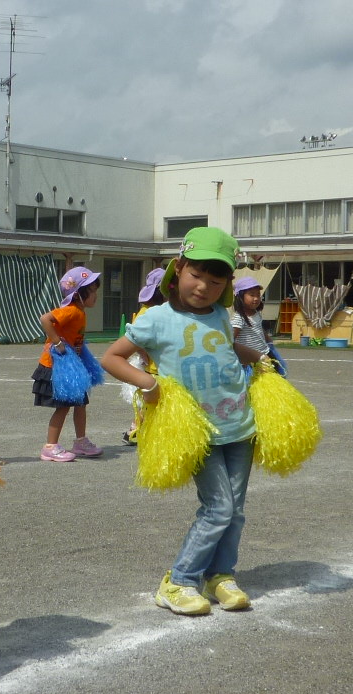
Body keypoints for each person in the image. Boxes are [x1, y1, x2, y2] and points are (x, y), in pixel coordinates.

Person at [101, 227, 264, 614]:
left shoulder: (223, 317)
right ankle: (180, 580)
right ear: (178, 271)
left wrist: (257, 356)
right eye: (196, 275)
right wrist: (148, 383)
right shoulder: (157, 318)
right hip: (197, 429)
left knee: (235, 510)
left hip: (239, 425)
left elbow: (225, 348)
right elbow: (112, 357)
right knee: (218, 507)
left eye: (215, 279)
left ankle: (220, 575)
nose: (203, 286)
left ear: (226, 284)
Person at [33, 266, 103, 461]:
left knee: (80, 403)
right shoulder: (71, 311)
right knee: (62, 406)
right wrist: (57, 342)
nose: (95, 295)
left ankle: (80, 441)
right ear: (78, 294)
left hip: (71, 365)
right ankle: (50, 446)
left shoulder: (79, 312)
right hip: (57, 366)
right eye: (92, 291)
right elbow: (45, 319)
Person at [120, 267, 167, 446]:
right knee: (150, 402)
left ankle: (136, 430)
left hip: (156, 366)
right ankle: (134, 430)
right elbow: (136, 339)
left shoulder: (151, 310)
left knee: (150, 403)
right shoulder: (148, 312)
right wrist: (144, 354)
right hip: (153, 367)